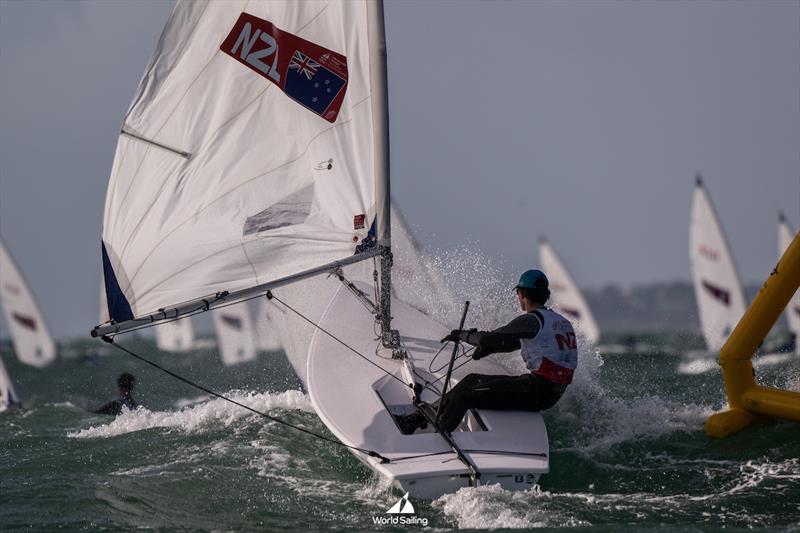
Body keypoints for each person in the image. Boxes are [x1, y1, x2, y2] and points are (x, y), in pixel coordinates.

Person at [397, 269, 577, 434]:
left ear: (521, 294)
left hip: (538, 391)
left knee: (464, 396)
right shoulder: (557, 320)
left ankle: (439, 436)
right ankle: (418, 420)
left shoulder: (532, 320)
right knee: (472, 379)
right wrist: (489, 350)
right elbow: (517, 343)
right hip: (548, 391)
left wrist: (462, 335)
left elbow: (486, 338)